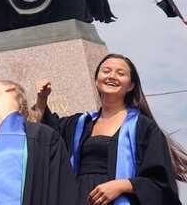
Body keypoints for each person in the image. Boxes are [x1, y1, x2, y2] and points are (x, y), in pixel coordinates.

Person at [35, 54, 187, 204]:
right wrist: (42, 99)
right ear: (96, 80)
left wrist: (123, 185)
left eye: (120, 73)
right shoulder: (80, 124)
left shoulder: (143, 127)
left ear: (131, 85)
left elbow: (160, 181)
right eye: (106, 71)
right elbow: (48, 134)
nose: (112, 76)